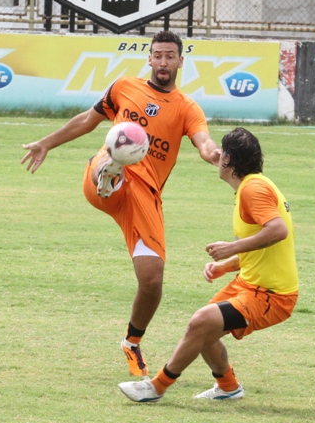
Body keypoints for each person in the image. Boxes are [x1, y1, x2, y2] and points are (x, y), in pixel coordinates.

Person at [21, 31, 221, 377]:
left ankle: (131, 343)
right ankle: (108, 172)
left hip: (145, 197)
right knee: (113, 153)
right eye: (157, 55)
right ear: (149, 58)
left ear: (180, 62)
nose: (162, 62)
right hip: (108, 179)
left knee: (152, 280)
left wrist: (213, 154)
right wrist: (46, 143)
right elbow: (88, 120)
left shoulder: (188, 108)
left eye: (169, 56)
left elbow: (203, 141)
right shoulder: (124, 87)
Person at [118, 127, 299, 402]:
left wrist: (232, 246)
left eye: (222, 153)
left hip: (271, 295)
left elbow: (277, 232)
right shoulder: (255, 184)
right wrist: (226, 265)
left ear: (228, 160)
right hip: (250, 283)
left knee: (201, 322)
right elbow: (267, 247)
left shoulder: (253, 189)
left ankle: (156, 387)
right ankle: (228, 386)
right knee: (203, 328)